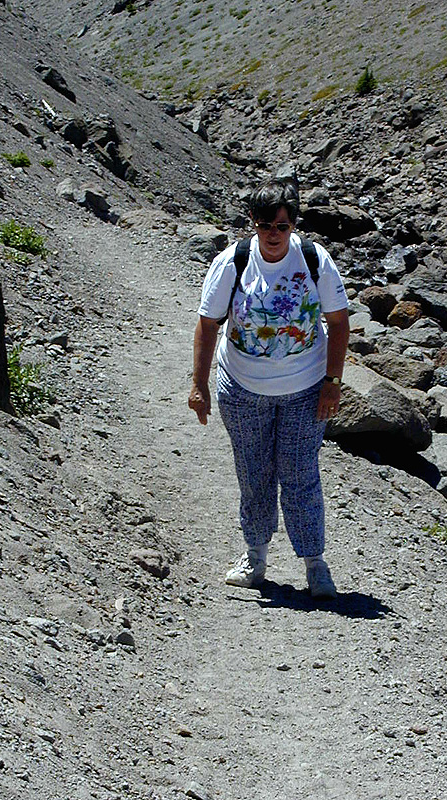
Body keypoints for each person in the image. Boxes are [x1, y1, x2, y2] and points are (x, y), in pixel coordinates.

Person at [188, 179, 349, 599]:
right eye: (264, 224)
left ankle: (315, 563)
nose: (273, 233)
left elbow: (338, 321)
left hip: (304, 388)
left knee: (299, 473)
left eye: (281, 224)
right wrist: (198, 385)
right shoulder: (232, 262)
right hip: (242, 388)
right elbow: (207, 324)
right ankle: (255, 556)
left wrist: (332, 383)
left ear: (293, 223)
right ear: (253, 224)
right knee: (253, 473)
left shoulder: (314, 260)